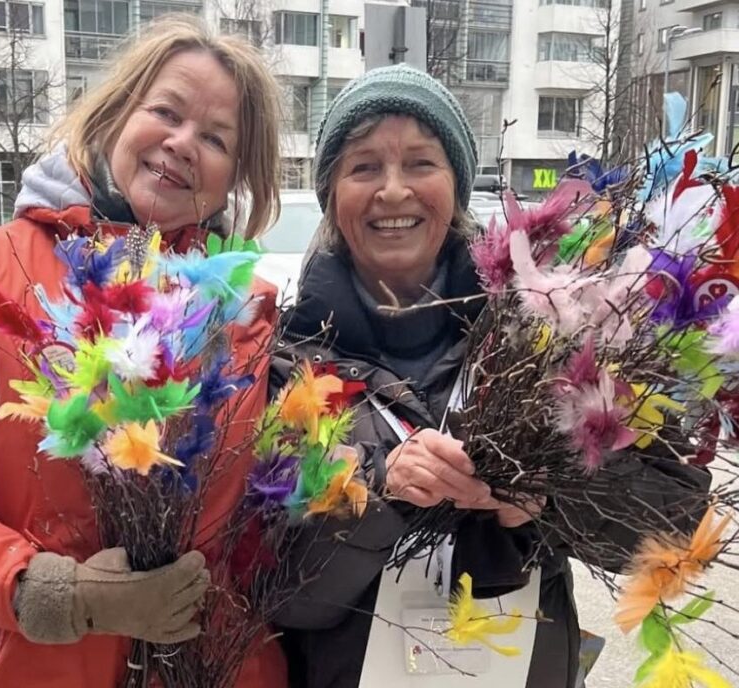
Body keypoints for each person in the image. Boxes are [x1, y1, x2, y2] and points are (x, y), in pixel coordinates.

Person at [0, 17, 287, 688]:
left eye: (215, 138)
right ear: (118, 114)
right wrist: (57, 594)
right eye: (166, 112)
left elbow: (258, 532)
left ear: (235, 172)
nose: (182, 143)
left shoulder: (249, 316)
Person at [270, 64, 710, 688]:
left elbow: (671, 527)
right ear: (331, 196)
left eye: (421, 163)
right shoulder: (284, 362)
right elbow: (281, 592)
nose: (393, 190)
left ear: (455, 186)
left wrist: (548, 499)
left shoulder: (551, 332)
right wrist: (377, 489)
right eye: (363, 167)